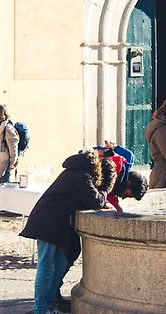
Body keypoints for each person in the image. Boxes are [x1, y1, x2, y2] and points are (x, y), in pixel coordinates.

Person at [19, 149, 116, 314]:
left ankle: (49, 305)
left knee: (60, 263)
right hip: (48, 223)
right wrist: (106, 189)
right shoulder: (81, 177)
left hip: (53, 222)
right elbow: (96, 200)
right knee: (46, 267)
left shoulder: (73, 173)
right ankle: (40, 309)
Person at [94, 141, 148, 215]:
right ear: (128, 183)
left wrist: (118, 208)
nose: (123, 198)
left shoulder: (121, 180)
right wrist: (114, 147)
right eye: (126, 194)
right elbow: (106, 192)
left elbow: (130, 157)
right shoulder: (115, 170)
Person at [0, 104, 20, 183]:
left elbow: (13, 145)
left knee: (4, 187)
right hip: (4, 164)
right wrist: (13, 162)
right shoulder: (6, 127)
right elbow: (13, 145)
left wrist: (12, 162)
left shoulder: (7, 128)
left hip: (4, 166)